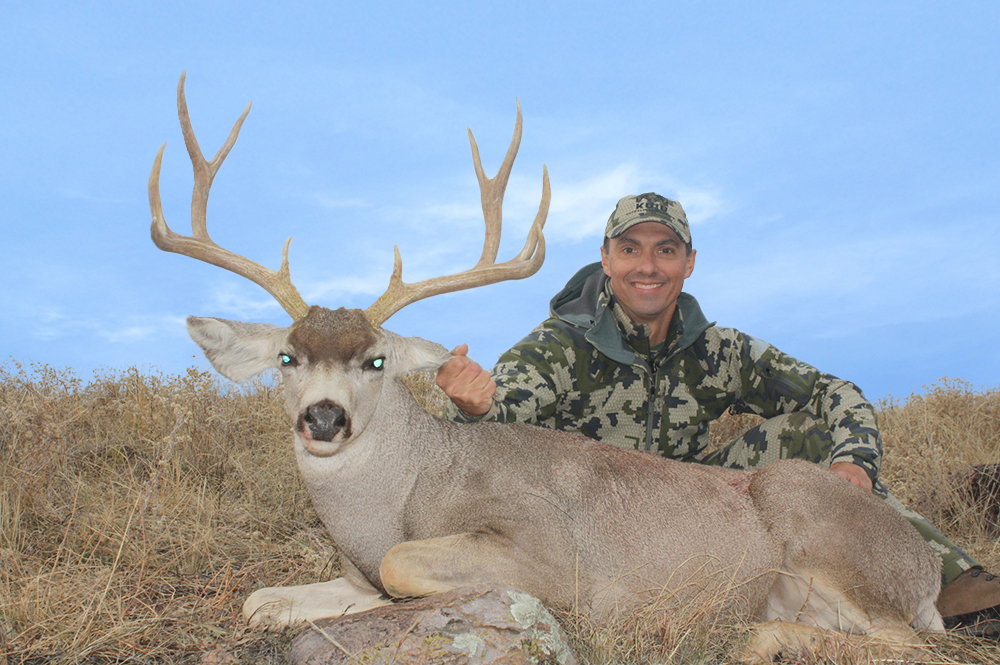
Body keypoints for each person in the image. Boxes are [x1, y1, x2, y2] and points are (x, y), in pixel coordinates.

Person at [436, 192, 1000, 632]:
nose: (647, 266)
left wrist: (855, 463)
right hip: (593, 530)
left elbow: (834, 391)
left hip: (692, 510)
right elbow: (502, 413)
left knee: (805, 433)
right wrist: (476, 404)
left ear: (689, 262)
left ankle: (952, 585)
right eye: (630, 249)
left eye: (666, 249)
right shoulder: (560, 345)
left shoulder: (720, 350)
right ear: (605, 259)